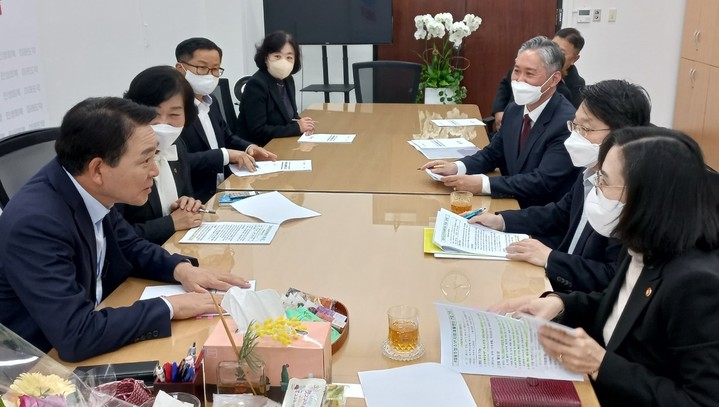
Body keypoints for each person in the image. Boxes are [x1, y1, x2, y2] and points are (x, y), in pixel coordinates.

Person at [0, 97, 250, 362]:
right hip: (39, 366)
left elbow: (129, 245)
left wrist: (181, 269)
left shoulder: (88, 188)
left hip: (99, 321)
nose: (155, 171)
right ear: (97, 169)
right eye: (145, 161)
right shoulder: (36, 223)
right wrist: (169, 306)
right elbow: (76, 335)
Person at [491, 127, 719, 405]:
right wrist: (561, 304)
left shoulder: (696, 283)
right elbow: (622, 309)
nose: (595, 190)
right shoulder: (641, 244)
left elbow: (703, 401)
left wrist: (601, 364)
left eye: (604, 181)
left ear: (647, 197)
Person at [469, 80, 651, 293]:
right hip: (556, 284)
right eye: (575, 126)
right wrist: (501, 220)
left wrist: (551, 258)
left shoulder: (627, 194)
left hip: (577, 301)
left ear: (622, 134)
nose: (575, 136)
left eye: (586, 128)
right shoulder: (591, 170)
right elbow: (559, 213)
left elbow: (614, 277)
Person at [422, 36, 579, 209]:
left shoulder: (566, 123)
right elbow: (493, 154)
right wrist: (457, 167)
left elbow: (542, 182)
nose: (519, 80)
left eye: (529, 74)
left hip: (538, 215)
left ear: (554, 79)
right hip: (508, 202)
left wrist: (483, 184)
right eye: (516, 71)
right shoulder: (514, 109)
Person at [175, 37, 277, 203]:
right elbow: (178, 162)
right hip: (197, 199)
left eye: (215, 69)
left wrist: (249, 147)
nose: (210, 75)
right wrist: (224, 155)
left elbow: (227, 136)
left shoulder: (211, 102)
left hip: (227, 188)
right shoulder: (174, 112)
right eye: (202, 68)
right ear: (181, 68)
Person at [119, 66, 204, 245]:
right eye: (153, 114)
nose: (163, 124)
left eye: (174, 114)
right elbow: (113, 236)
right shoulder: (119, 157)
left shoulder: (177, 145)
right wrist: (170, 223)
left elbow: (186, 195)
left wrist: (187, 203)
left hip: (178, 246)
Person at [492, 28, 586, 133]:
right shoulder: (513, 108)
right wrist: (499, 111)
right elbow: (505, 85)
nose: (520, 79)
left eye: (561, 52)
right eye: (552, 46)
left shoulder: (564, 122)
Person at [237, 31, 315, 147]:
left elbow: (289, 116)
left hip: (282, 143)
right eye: (277, 56)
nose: (283, 61)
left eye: (289, 57)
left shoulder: (288, 80)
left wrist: (302, 123)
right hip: (259, 149)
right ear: (265, 58)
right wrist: (296, 128)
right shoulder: (256, 84)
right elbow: (258, 131)